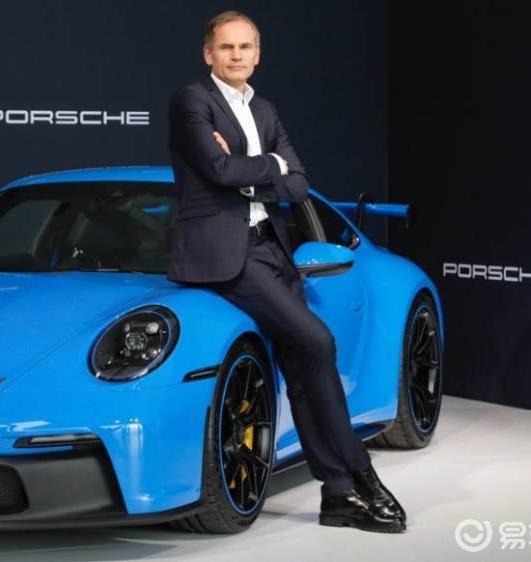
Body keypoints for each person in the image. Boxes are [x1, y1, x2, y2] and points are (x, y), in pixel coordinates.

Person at [167, 10, 406, 533]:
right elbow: (217, 169)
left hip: (273, 249)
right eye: (226, 47)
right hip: (226, 257)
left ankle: (337, 493)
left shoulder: (265, 109)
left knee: (302, 364)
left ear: (257, 55)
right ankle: (363, 474)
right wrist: (269, 166)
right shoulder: (192, 101)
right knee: (317, 342)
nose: (236, 55)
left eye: (245, 47)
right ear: (208, 54)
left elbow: (297, 184)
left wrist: (254, 172)